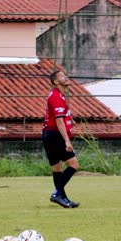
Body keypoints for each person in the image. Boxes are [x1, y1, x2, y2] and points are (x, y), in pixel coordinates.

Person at [42, 70, 80, 208]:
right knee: (74, 165)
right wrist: (67, 141)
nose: (66, 77)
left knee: (57, 169)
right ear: (56, 82)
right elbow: (58, 122)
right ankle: (57, 193)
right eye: (63, 76)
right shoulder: (57, 97)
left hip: (49, 134)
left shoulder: (59, 96)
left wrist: (70, 119)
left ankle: (63, 198)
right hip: (55, 135)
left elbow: (59, 116)